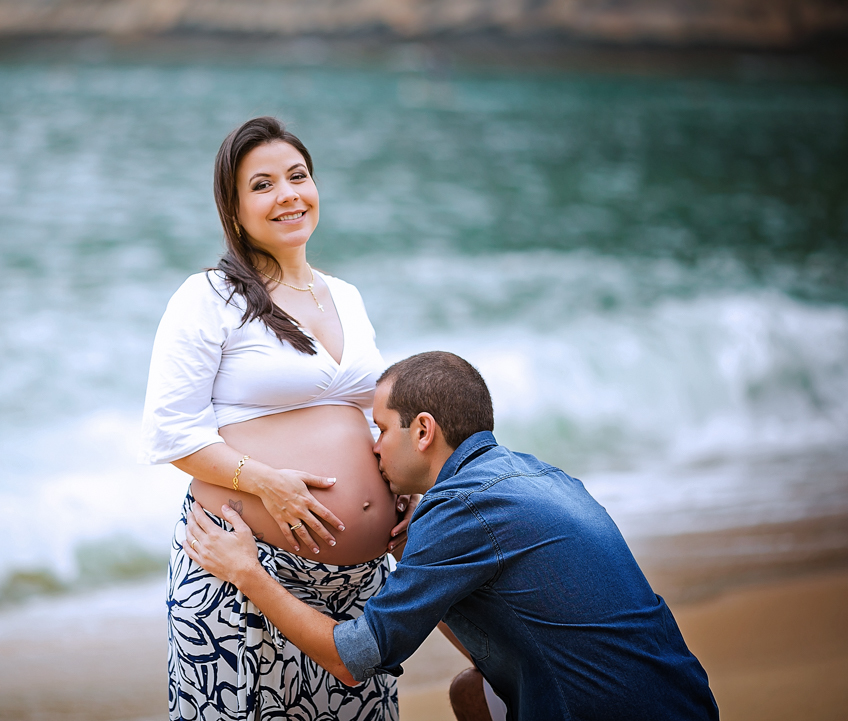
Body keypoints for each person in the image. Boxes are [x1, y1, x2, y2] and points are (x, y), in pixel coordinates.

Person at [183, 351, 720, 721]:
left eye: (381, 428)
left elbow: (352, 661)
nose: (372, 448)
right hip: (685, 704)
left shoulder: (462, 506)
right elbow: (506, 640)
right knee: (473, 692)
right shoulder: (532, 475)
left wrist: (247, 574)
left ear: (422, 431)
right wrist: (417, 559)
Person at [141, 117, 410, 720]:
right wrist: (268, 484)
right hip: (242, 577)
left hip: (358, 590)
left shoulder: (347, 296)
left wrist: (406, 487)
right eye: (262, 185)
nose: (288, 194)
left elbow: (371, 418)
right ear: (234, 211)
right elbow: (170, 434)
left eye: (298, 176)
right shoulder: (209, 296)